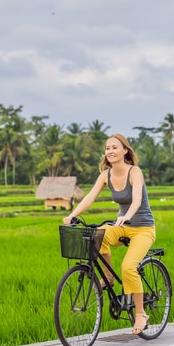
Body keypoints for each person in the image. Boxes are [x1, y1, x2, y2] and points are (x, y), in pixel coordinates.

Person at [63, 134, 156, 335]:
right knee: (97, 235)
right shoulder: (105, 175)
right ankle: (108, 277)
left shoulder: (135, 172)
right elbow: (89, 197)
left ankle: (141, 314)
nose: (110, 151)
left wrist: (127, 216)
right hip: (121, 225)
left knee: (128, 267)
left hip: (142, 228)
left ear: (125, 150)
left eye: (115, 147)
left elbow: (137, 199)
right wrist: (72, 215)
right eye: (107, 148)